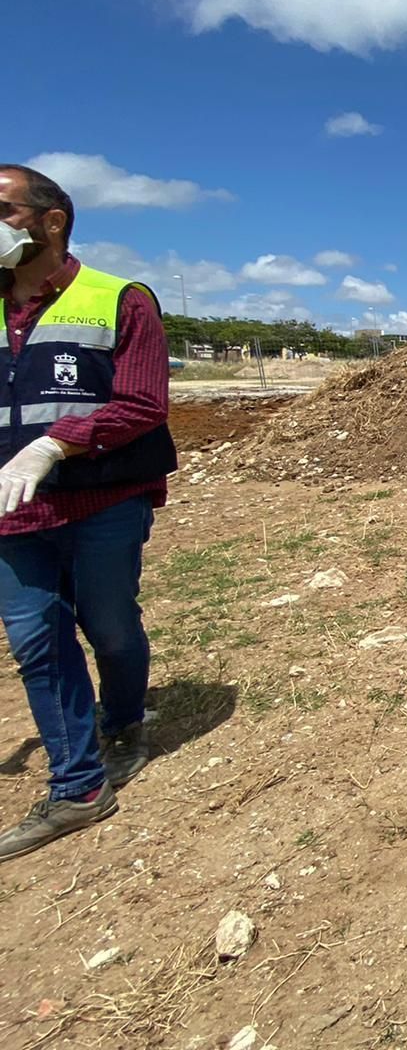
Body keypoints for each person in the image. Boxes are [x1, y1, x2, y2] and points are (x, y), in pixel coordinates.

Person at [0, 164, 177, 862]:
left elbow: (142, 404)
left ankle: (125, 720)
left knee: (110, 628)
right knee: (37, 640)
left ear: (51, 220)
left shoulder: (119, 300)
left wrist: (54, 445)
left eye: (3, 208)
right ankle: (77, 786)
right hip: (13, 515)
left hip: (104, 500)